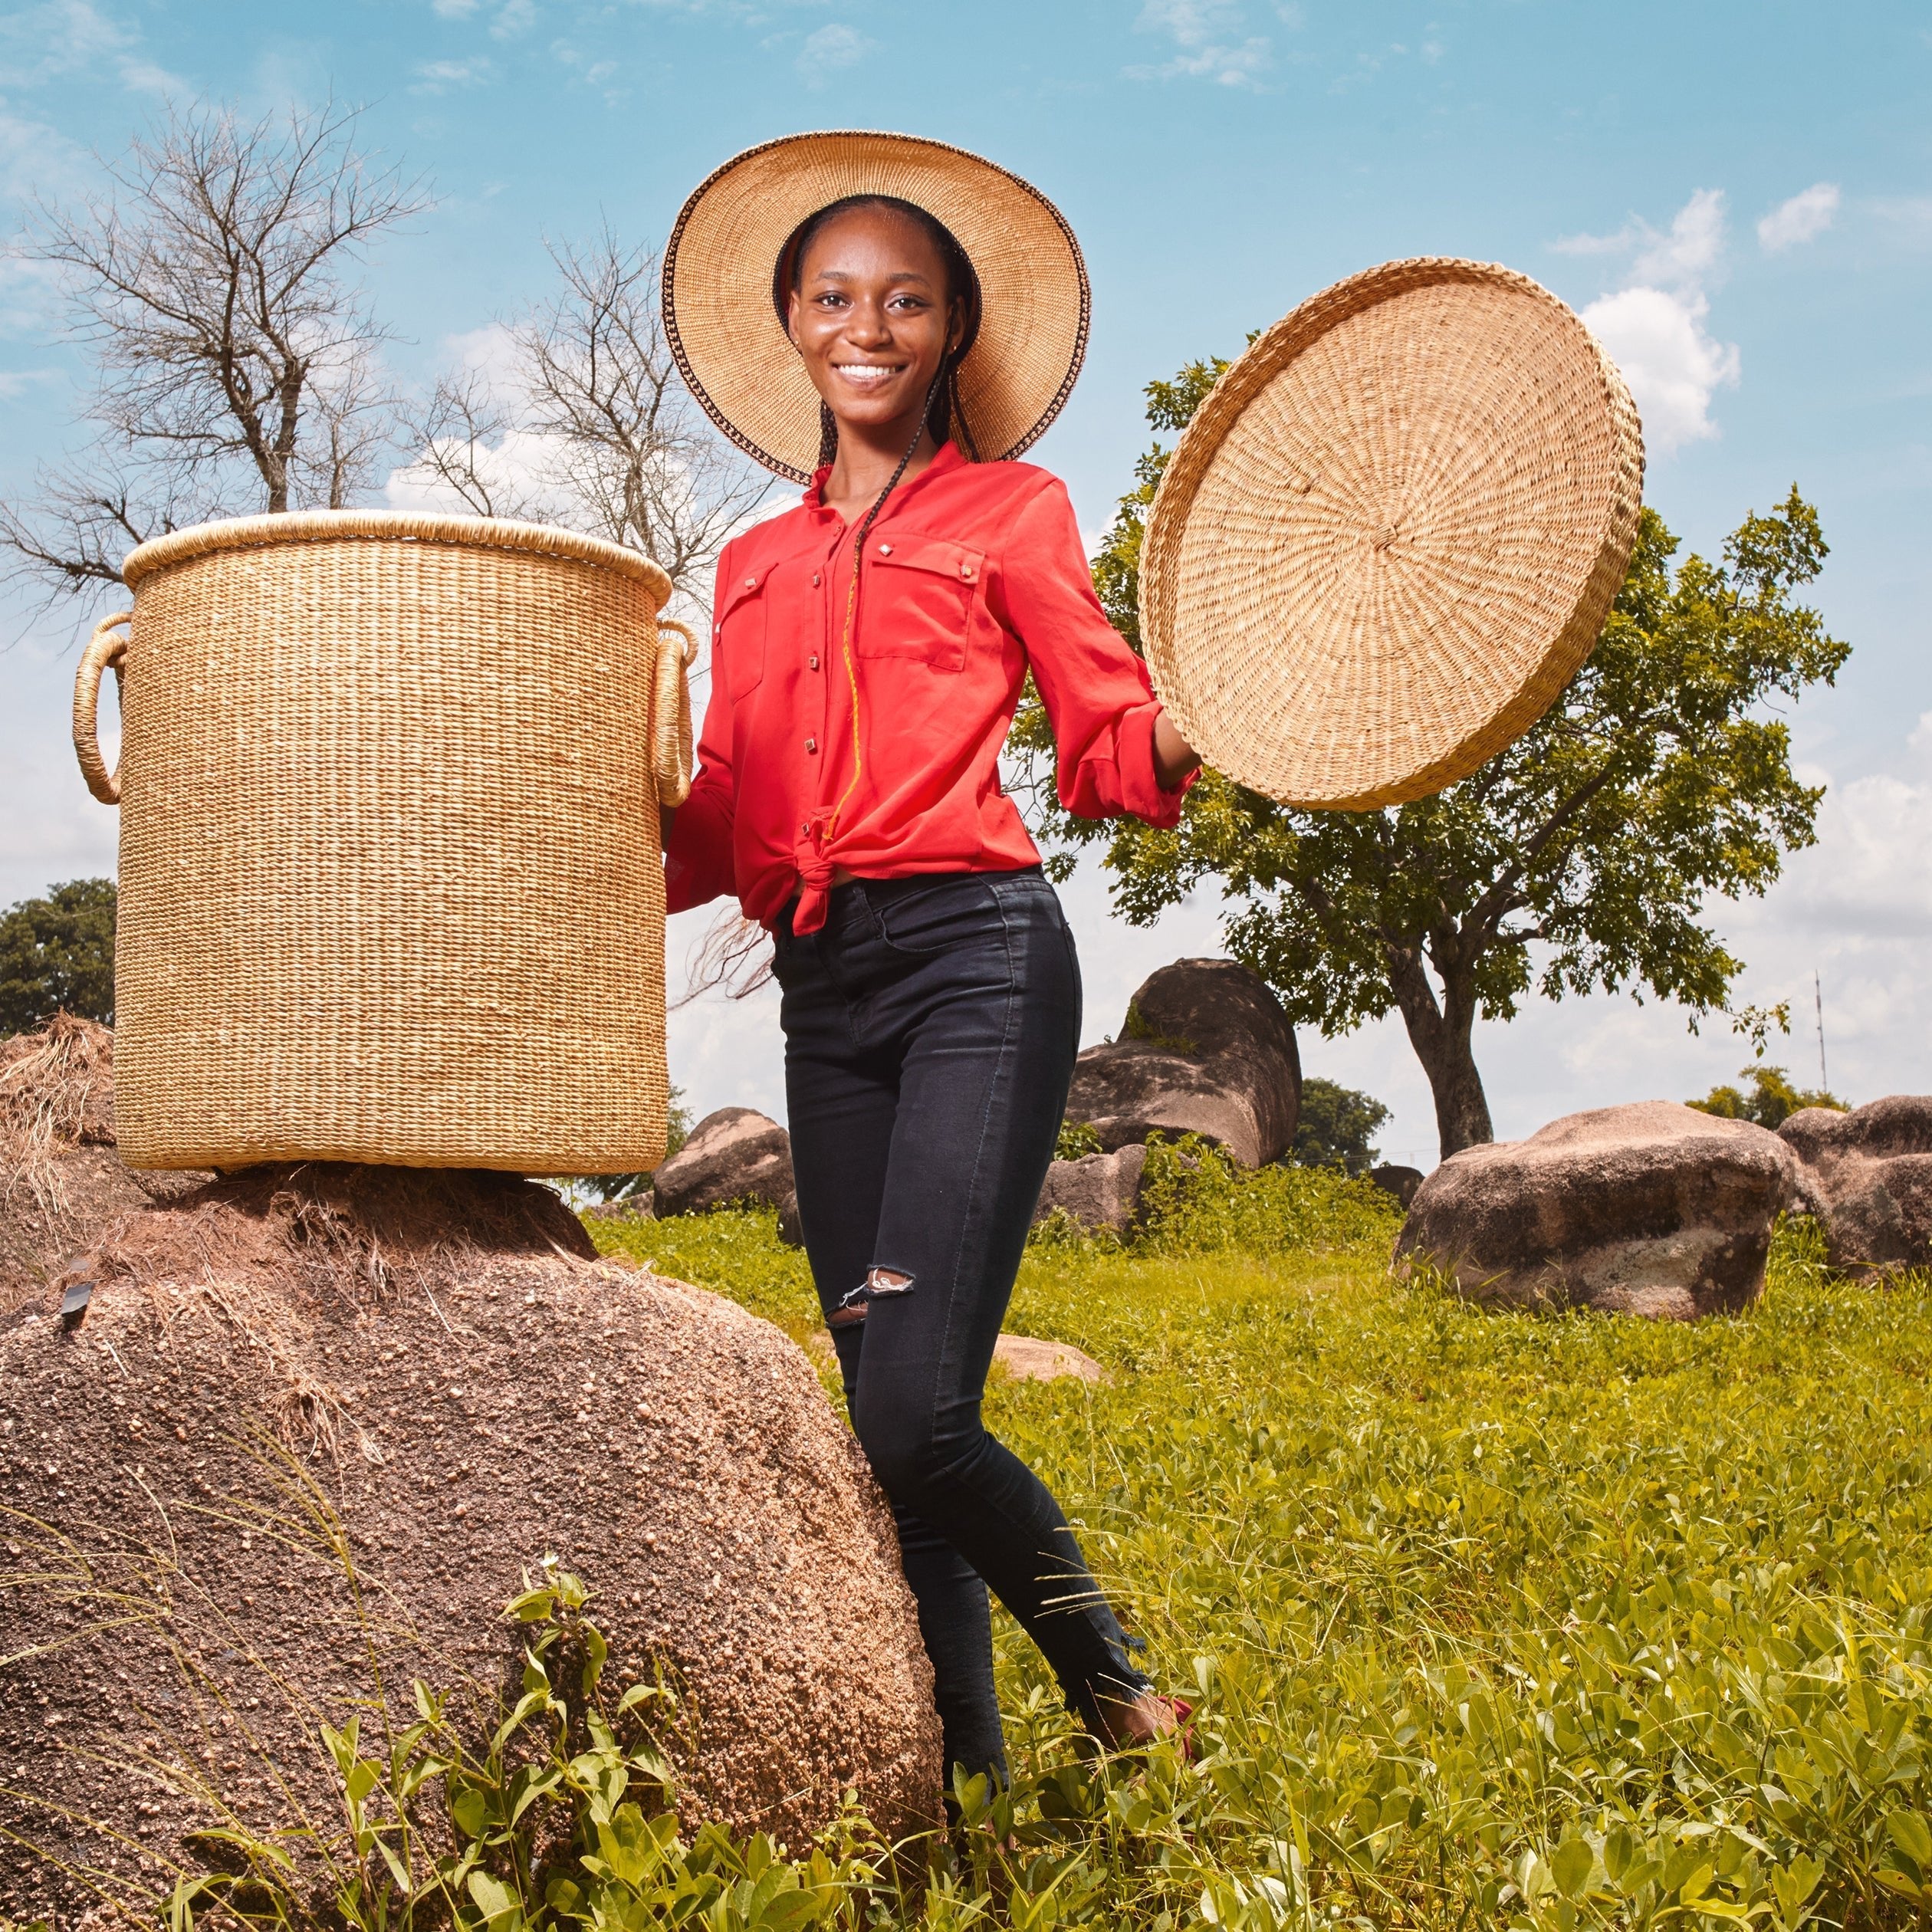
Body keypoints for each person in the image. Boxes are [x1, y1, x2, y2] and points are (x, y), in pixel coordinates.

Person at [659, 133, 1201, 1792]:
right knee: (902, 1424)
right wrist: (552, 865)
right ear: (794, 328)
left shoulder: (1013, 512)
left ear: (954, 329)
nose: (868, 325)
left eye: (906, 298)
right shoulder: (753, 562)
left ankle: (1119, 1693)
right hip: (825, 993)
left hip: (977, 959)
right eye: (834, 296)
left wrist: (1181, 735)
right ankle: (964, 1784)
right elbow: (729, 802)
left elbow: (1104, 730)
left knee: (911, 1414)